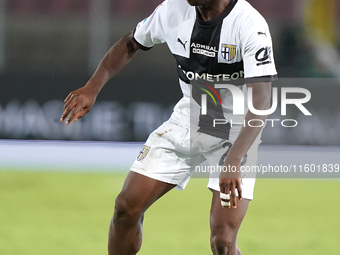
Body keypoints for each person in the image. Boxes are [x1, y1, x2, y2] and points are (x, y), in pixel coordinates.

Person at [60, 0, 277, 254]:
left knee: (223, 241)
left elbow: (261, 101)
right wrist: (92, 87)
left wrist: (234, 159)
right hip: (189, 118)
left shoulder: (250, 25)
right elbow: (131, 42)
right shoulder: (172, 10)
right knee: (125, 208)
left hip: (237, 131)